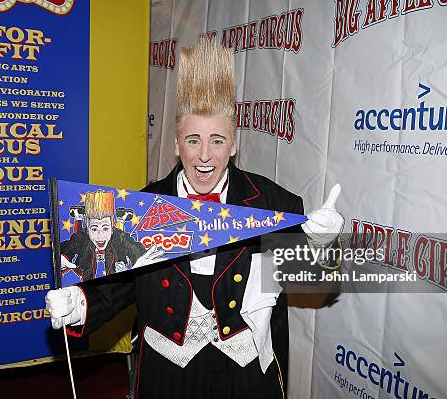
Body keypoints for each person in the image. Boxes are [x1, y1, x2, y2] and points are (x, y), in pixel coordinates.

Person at [46, 38, 343, 398]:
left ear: (234, 144)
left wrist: (323, 246)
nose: (204, 156)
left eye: (217, 141)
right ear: (175, 144)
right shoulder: (146, 206)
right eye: (193, 140)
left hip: (245, 377)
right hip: (168, 377)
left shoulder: (271, 203)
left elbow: (313, 283)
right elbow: (118, 285)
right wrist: (77, 305)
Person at [59, 190, 150, 280]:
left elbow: (133, 247)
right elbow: (68, 247)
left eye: (105, 228)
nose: (100, 235)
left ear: (111, 228)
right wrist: (61, 258)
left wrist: (142, 259)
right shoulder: (81, 237)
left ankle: (120, 219)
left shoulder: (119, 237)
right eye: (94, 229)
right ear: (88, 230)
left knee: (118, 237)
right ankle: (79, 217)